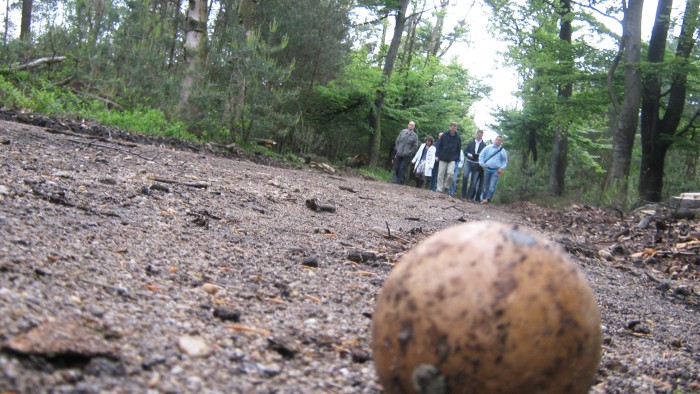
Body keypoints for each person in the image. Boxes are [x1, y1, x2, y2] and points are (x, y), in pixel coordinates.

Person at [479, 134, 508, 204]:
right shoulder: (488, 147)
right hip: (487, 168)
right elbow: (481, 155)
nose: (498, 141)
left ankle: (488, 199)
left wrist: (501, 168)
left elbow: (505, 161)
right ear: (495, 140)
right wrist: (482, 164)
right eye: (497, 140)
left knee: (492, 186)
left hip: (496, 170)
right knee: (485, 185)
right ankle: (483, 199)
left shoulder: (502, 150)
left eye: (500, 140)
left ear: (502, 142)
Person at [461, 129, 487, 201]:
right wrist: (469, 155)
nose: (479, 136)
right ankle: (463, 194)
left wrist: (479, 157)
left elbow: (484, 155)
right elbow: (465, 151)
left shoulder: (484, 145)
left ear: (482, 136)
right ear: (476, 134)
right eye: (478, 135)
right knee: (465, 176)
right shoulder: (471, 142)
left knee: (474, 181)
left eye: (481, 136)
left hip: (477, 164)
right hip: (469, 161)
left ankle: (468, 197)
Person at [436, 122, 462, 193]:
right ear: (450, 127)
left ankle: (446, 186)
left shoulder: (458, 138)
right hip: (443, 157)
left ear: (456, 128)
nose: (454, 127)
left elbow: (459, 149)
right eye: (453, 126)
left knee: (451, 174)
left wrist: (457, 158)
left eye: (455, 126)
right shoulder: (444, 136)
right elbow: (439, 146)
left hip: (452, 158)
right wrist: (437, 155)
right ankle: (439, 189)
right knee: (440, 174)